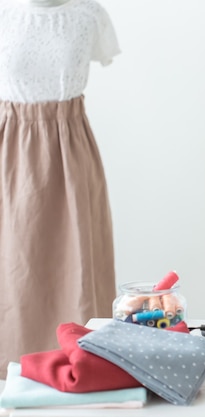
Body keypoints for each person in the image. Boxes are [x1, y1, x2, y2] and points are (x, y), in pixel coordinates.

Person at [0, 0, 119, 379]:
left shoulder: (89, 14)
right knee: (11, 269)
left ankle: (79, 373)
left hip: (70, 151)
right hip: (9, 151)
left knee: (77, 265)